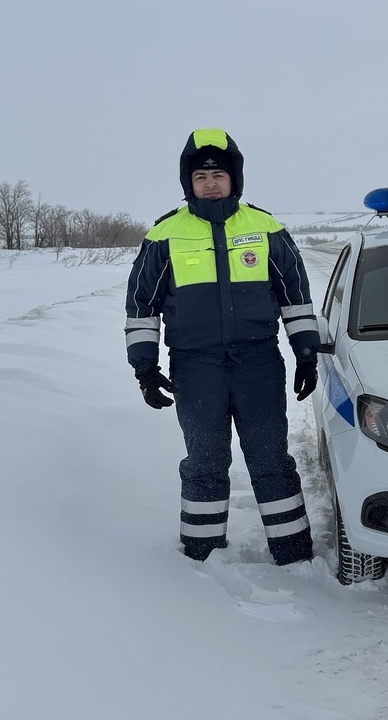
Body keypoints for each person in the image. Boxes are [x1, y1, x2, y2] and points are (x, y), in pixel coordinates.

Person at [124, 128, 320, 565]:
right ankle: (202, 554)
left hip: (258, 363)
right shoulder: (164, 235)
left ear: (234, 178)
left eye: (218, 174)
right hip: (196, 367)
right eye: (201, 176)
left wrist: (305, 354)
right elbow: (141, 307)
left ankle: (293, 555)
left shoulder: (266, 228)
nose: (210, 183)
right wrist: (145, 368)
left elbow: (295, 297)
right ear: (188, 182)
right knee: (206, 461)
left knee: (271, 458)